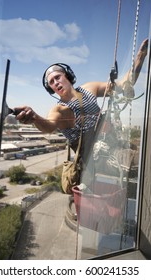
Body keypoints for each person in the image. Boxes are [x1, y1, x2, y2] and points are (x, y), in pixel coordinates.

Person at [15, 38, 148, 187]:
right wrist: (34, 117)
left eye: (57, 77)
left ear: (68, 76)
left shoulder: (89, 88)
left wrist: (140, 58)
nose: (56, 83)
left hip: (114, 143)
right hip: (97, 159)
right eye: (52, 82)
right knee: (144, 161)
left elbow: (124, 84)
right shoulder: (60, 109)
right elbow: (48, 126)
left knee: (144, 151)